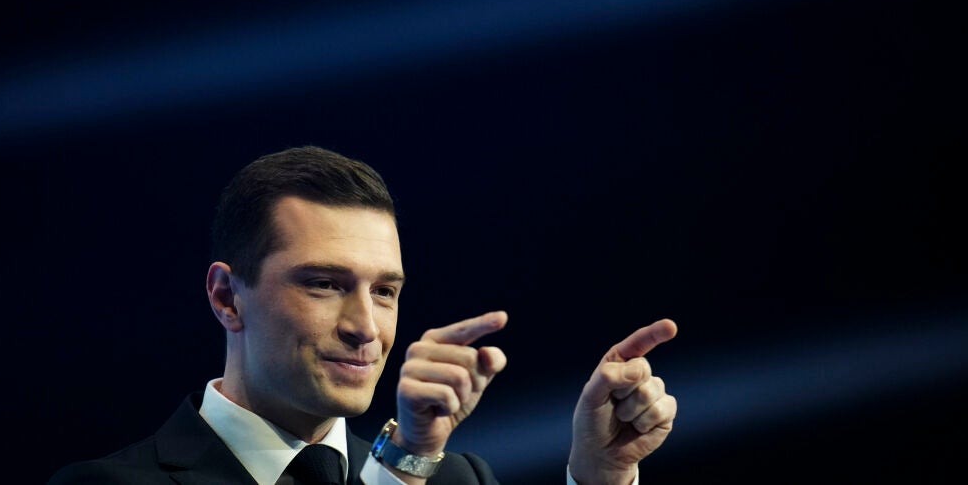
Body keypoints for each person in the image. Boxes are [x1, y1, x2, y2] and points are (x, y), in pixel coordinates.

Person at [48, 145, 677, 485]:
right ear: (226, 297)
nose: (366, 328)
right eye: (324, 284)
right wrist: (401, 465)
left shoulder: (457, 480)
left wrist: (601, 476)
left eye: (385, 292)